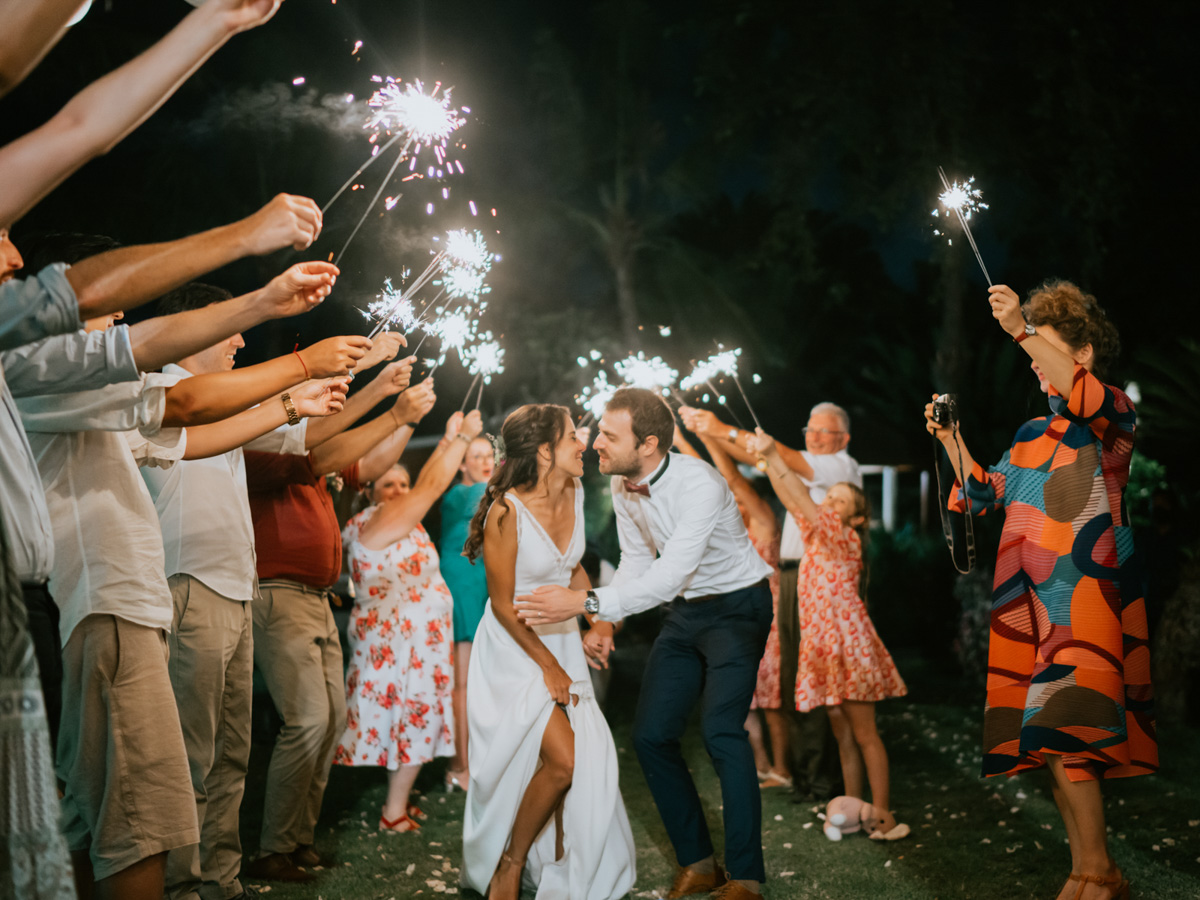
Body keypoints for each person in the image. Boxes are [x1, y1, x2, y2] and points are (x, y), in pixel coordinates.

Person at [926, 281, 1156, 900]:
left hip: (1086, 601)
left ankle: (1100, 873)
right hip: (1030, 608)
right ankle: (1086, 872)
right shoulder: (1032, 432)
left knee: (1067, 732)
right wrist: (950, 440)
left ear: (1081, 355)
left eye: (1043, 349)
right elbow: (982, 493)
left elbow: (1084, 395)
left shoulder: (1112, 417)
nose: (1032, 361)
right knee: (1051, 743)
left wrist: (1020, 329)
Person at [516, 388, 771, 900]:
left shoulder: (700, 485)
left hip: (736, 608)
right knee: (652, 735)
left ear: (648, 443)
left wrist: (584, 603)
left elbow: (670, 573)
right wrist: (605, 623)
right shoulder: (624, 484)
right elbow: (636, 560)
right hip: (685, 613)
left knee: (722, 732)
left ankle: (746, 878)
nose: (594, 442)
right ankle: (699, 864)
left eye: (609, 435)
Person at [242, 371, 431, 883]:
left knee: (331, 722)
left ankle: (298, 839)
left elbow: (369, 465)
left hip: (317, 597)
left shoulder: (316, 452)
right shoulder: (268, 446)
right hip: (280, 593)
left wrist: (409, 420)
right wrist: (392, 406)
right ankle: (273, 848)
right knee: (306, 720)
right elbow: (328, 459)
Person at [460, 403, 635, 900]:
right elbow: (501, 604)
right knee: (565, 761)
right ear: (543, 451)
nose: (584, 443)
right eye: (572, 437)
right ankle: (509, 865)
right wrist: (551, 667)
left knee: (561, 765)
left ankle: (548, 860)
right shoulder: (506, 512)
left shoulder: (574, 492)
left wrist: (597, 622)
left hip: (559, 641)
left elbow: (571, 568)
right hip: (515, 650)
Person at [682, 401, 861, 801]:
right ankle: (802, 772)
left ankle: (822, 779)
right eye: (810, 430)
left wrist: (720, 428)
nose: (815, 438)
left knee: (817, 678)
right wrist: (709, 433)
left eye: (824, 432)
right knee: (795, 678)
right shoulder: (810, 468)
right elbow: (758, 459)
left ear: (843, 439)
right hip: (795, 577)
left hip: (822, 582)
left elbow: (779, 456)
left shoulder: (839, 467)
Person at [751, 430, 908, 839]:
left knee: (865, 733)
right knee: (842, 734)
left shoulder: (844, 538)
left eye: (839, 501)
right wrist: (769, 464)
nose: (829, 503)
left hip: (849, 647)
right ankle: (854, 809)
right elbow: (792, 498)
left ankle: (883, 814)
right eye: (830, 497)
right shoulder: (815, 536)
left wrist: (773, 455)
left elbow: (803, 500)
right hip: (821, 646)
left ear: (856, 519)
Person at [333, 408, 478, 833]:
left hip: (415, 642)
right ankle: (392, 812)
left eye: (402, 484)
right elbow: (432, 485)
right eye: (387, 484)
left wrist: (448, 440)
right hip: (400, 647)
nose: (398, 491)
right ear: (369, 492)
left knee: (407, 720)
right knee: (412, 717)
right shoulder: (377, 520)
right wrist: (463, 439)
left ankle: (399, 800)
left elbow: (427, 483)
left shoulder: (405, 524)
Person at [675, 422, 789, 790]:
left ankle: (783, 769)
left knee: (770, 700)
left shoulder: (764, 524)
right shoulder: (728, 534)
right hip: (733, 622)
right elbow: (711, 483)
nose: (735, 505)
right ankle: (761, 763)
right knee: (743, 700)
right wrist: (678, 439)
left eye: (740, 500)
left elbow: (731, 481)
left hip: (767, 621)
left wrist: (705, 435)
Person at [438, 432, 495, 791]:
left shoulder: (482, 492)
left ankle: (475, 758)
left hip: (479, 583)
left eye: (490, 455)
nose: (486, 462)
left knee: (476, 680)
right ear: (461, 463)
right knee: (463, 683)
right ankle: (459, 766)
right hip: (462, 585)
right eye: (477, 456)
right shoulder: (460, 494)